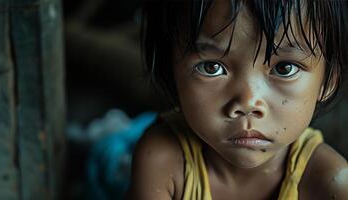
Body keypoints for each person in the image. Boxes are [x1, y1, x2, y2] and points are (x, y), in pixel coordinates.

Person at [127, 0, 348, 199]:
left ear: (328, 80)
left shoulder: (331, 182)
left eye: (284, 68)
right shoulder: (162, 161)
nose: (248, 102)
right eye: (212, 67)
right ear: (170, 72)